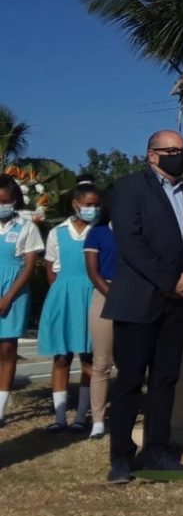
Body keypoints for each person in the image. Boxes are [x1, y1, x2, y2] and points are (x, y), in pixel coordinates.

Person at [103, 130, 183, 484]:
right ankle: (122, 457)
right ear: (152, 155)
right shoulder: (129, 188)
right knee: (130, 380)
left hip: (179, 302)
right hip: (139, 299)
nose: (178, 155)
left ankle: (158, 450)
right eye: (171, 150)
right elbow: (131, 242)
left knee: (166, 379)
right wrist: (171, 280)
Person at [38, 182, 101, 434]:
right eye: (88, 205)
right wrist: (61, 295)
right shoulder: (58, 232)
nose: (92, 209)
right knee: (62, 357)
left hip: (91, 295)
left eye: (97, 205)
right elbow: (51, 269)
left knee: (88, 356)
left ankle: (82, 415)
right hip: (63, 296)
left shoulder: (100, 231)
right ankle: (60, 416)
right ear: (76, 204)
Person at [0, 174, 44, 427]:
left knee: (7, 348)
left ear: (15, 200)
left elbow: (29, 267)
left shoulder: (26, 227)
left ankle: (1, 407)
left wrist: (7, 297)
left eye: (5, 201)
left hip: (14, 292)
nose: (1, 206)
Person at [84, 197, 117, 440]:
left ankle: (125, 413)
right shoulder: (98, 233)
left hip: (133, 295)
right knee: (102, 361)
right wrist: (112, 294)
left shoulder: (137, 233)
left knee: (131, 361)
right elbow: (93, 271)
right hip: (105, 293)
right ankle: (97, 420)